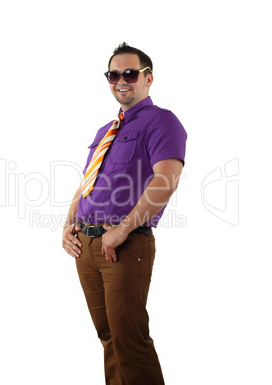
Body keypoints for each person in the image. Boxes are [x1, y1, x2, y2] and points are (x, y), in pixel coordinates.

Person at [62, 42, 187, 385]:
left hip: (124, 245)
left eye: (130, 73)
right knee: (109, 339)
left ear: (148, 78)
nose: (121, 80)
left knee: (130, 341)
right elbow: (87, 183)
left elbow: (166, 179)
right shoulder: (106, 130)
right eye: (113, 74)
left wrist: (122, 230)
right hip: (86, 248)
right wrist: (68, 224)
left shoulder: (162, 122)